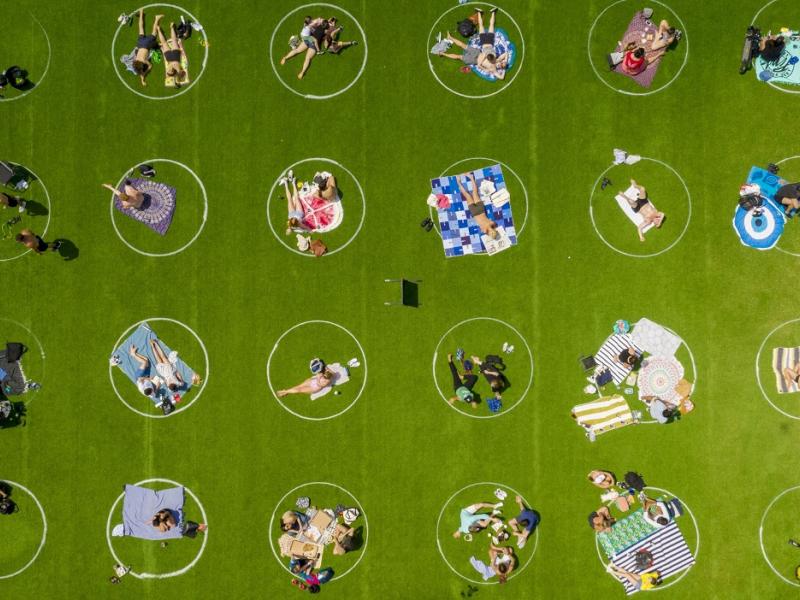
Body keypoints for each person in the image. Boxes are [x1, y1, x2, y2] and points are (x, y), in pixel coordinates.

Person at [456, 173, 499, 239]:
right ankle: (466, 179)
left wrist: (492, 230)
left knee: (470, 194)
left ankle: (464, 180)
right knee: (471, 194)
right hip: (478, 211)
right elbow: (491, 228)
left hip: (477, 211)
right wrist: (492, 230)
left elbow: (491, 228)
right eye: (492, 233)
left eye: (492, 233)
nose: (491, 232)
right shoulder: (488, 227)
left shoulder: (488, 227)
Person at [132, 9, 163, 86]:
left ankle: (157, 18)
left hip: (146, 45)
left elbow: (150, 66)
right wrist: (142, 80)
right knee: (141, 28)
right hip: (140, 44)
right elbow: (140, 72)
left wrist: (145, 72)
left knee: (154, 33)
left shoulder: (144, 61)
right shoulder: (135, 60)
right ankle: (141, 13)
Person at [157, 22, 188, 86]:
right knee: (168, 42)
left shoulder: (176, 69)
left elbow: (177, 75)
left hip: (173, 56)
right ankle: (161, 29)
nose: (169, 71)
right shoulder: (174, 70)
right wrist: (177, 81)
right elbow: (172, 76)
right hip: (172, 57)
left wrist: (177, 80)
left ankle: (166, 28)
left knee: (169, 41)